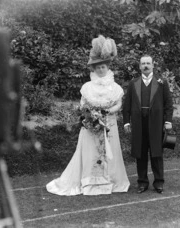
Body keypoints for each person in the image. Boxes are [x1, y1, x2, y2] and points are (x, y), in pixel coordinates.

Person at [46, 35, 130, 195]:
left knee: (109, 153)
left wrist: (107, 112)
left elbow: (119, 104)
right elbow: (83, 104)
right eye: (97, 67)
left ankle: (111, 182)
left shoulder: (115, 87)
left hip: (109, 125)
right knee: (91, 152)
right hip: (91, 126)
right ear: (94, 69)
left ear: (108, 67)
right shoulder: (87, 87)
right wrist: (91, 115)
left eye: (103, 67)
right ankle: (89, 182)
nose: (100, 70)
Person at [122, 55, 173, 194]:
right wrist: (126, 122)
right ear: (139, 66)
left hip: (156, 123)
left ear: (152, 65)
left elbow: (168, 103)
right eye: (143, 63)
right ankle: (142, 182)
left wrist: (168, 121)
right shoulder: (133, 83)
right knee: (141, 153)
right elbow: (126, 105)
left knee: (157, 153)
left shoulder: (162, 82)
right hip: (138, 124)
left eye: (148, 63)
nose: (145, 65)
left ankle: (159, 182)